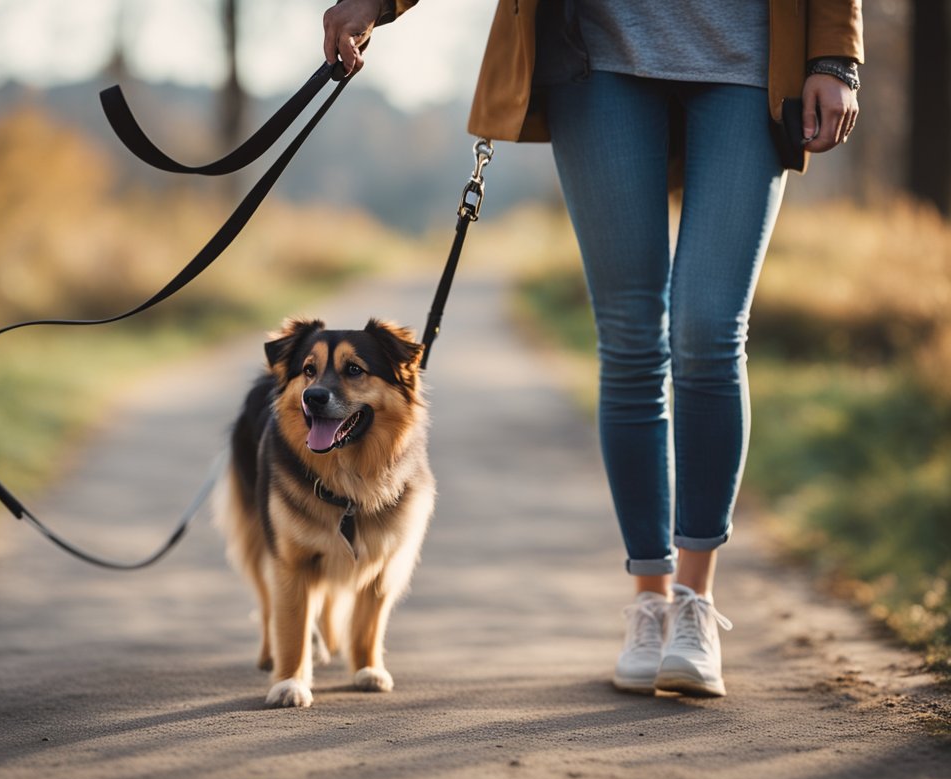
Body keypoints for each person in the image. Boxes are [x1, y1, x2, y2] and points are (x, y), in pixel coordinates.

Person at [321, 0, 863, 697]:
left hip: (749, 56)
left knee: (708, 330)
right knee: (632, 339)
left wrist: (834, 56)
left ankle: (695, 606)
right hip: (599, 52)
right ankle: (650, 600)